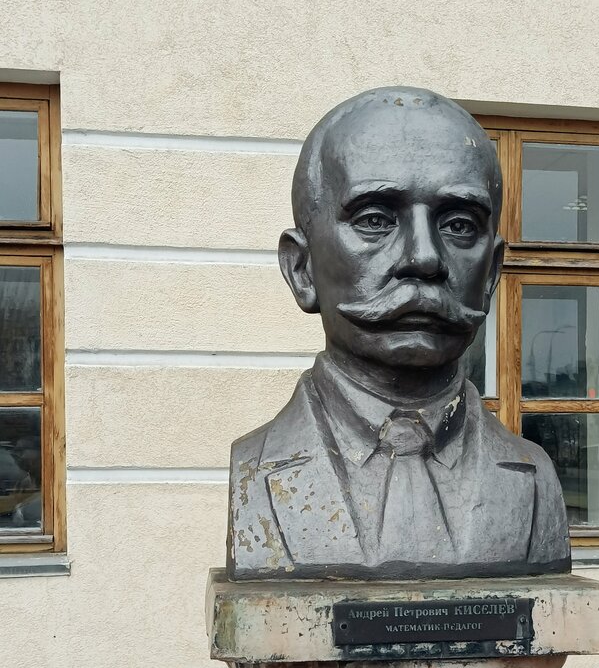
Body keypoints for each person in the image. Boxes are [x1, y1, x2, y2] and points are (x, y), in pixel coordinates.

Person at [228, 87, 570, 580]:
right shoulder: (254, 472)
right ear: (301, 269)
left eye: (458, 225)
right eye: (374, 221)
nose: (424, 258)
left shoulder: (536, 478)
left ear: (492, 273)